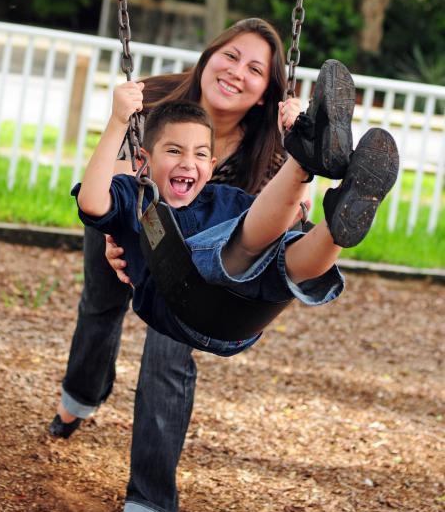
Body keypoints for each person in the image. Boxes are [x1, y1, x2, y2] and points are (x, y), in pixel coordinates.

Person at [49, 19, 350, 512]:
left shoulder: (267, 144)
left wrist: (298, 151)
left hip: (193, 266)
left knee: (168, 351)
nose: (237, 73)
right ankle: (81, 397)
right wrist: (121, 238)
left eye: (256, 69)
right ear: (208, 55)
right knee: (99, 308)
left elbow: (268, 226)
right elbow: (113, 180)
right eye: (230, 56)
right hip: (127, 223)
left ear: (267, 92)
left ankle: (149, 506)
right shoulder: (159, 95)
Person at [74, 69, 398, 359]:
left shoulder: (223, 200)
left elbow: (279, 221)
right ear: (143, 160)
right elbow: (91, 201)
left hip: (242, 318)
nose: (188, 162)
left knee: (287, 259)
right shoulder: (135, 195)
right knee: (238, 243)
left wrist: (297, 204)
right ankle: (302, 157)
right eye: (174, 151)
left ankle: (337, 217)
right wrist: (118, 122)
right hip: (182, 308)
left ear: (211, 166)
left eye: (200, 154)